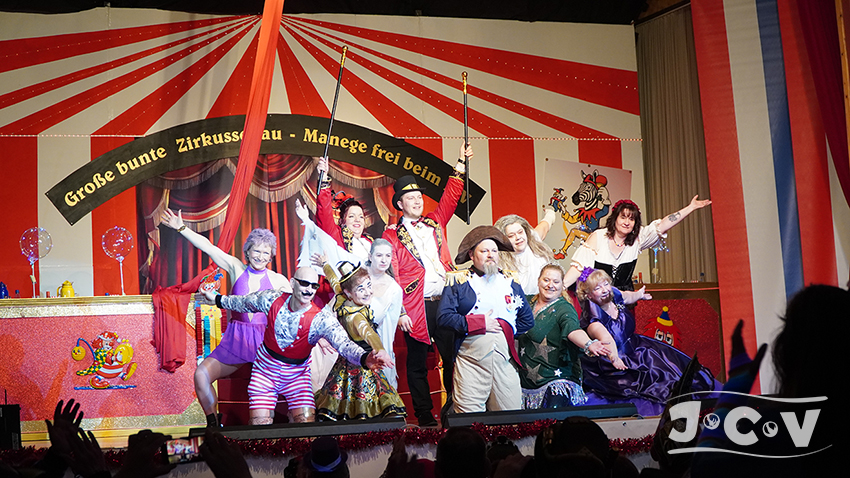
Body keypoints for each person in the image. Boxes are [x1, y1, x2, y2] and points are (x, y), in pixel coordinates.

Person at [203, 267, 392, 424]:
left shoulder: (320, 318)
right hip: (265, 373)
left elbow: (344, 343)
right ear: (292, 283)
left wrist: (365, 357)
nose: (309, 290)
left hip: (297, 377)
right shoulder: (272, 299)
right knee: (261, 428)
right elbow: (243, 302)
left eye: (314, 286)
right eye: (304, 284)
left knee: (306, 429)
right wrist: (217, 299)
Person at [160, 209, 291, 427]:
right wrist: (181, 228)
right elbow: (209, 248)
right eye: (256, 251)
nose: (260, 256)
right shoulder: (236, 267)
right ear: (247, 251)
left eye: (265, 253)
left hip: (265, 344)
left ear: (271, 256)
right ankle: (214, 424)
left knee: (269, 409)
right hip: (236, 340)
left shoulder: (279, 280)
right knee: (201, 375)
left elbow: (298, 311)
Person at [382, 143, 471, 426]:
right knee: (417, 361)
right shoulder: (391, 235)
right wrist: (400, 311)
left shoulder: (434, 222)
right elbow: (391, 274)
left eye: (419, 196)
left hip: (445, 301)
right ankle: (423, 414)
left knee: (453, 357)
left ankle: (454, 409)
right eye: (411, 197)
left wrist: (460, 164)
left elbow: (450, 198)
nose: (418, 201)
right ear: (400, 204)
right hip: (415, 306)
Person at [576, 268, 717, 416]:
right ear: (588, 295)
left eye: (606, 284)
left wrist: (639, 295)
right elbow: (607, 339)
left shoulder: (613, 294)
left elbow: (627, 296)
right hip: (617, 359)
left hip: (637, 347)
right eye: (597, 288)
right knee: (650, 384)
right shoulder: (594, 321)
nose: (605, 290)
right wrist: (614, 358)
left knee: (670, 369)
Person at [437, 226, 534, 413]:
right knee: (468, 418)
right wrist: (479, 324)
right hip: (470, 362)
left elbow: (527, 320)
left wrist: (504, 329)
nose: (490, 255)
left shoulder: (511, 281)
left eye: (494, 251)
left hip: (504, 361)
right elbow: (444, 317)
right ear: (472, 255)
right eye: (484, 251)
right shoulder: (459, 281)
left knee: (511, 415)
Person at [312, 257, 406, 420]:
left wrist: (325, 264)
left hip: (345, 362)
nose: (368, 292)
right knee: (367, 410)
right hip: (363, 364)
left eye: (369, 286)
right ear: (349, 292)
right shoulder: (355, 317)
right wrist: (380, 349)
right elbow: (368, 333)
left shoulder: (343, 297)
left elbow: (334, 281)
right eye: (361, 289)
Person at [564, 196, 711, 290]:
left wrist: (691, 208)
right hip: (598, 305)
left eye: (631, 219)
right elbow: (578, 267)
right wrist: (560, 289)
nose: (627, 222)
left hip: (624, 304)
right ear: (615, 219)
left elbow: (663, 225)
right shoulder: (599, 237)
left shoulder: (638, 238)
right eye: (623, 217)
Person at [518, 263, 610, 409]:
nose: (550, 285)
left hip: (556, 380)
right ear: (538, 281)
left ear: (562, 285)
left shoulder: (564, 308)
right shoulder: (526, 302)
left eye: (556, 282)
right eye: (546, 280)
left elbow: (573, 330)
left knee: (551, 420)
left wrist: (588, 343)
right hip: (525, 380)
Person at [366, 238, 407, 389]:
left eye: (388, 256)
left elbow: (390, 326)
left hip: (378, 340)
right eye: (379, 255)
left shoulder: (394, 289)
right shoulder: (358, 276)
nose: (384, 260)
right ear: (370, 256)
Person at [315, 156, 373, 262]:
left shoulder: (369, 242)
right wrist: (323, 178)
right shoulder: (337, 236)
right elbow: (324, 212)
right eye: (351, 216)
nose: (357, 220)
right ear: (342, 221)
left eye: (361, 217)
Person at [493, 208, 556, 294]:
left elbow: (545, 226)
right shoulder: (498, 262)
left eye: (520, 232)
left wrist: (550, 213)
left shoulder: (533, 239)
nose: (518, 237)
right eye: (511, 236)